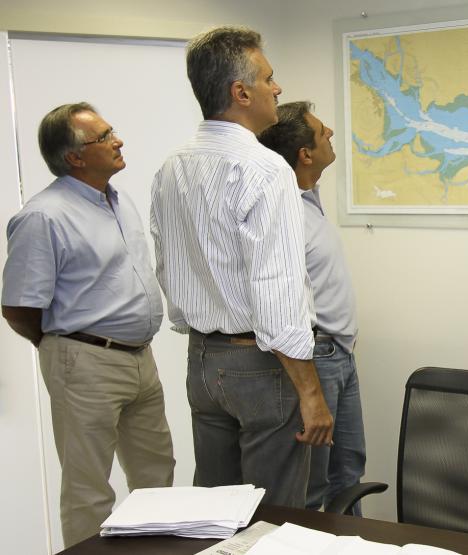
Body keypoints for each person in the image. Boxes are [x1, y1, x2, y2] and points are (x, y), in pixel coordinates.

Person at [151, 26, 332, 508]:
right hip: (260, 364)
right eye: (269, 79)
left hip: (203, 361)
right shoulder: (266, 169)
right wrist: (311, 394)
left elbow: (167, 264)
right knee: (272, 516)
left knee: (213, 513)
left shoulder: (172, 167)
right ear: (241, 93)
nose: (277, 88)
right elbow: (277, 291)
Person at [2, 102, 174, 547]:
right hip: (85, 362)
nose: (118, 141)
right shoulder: (43, 216)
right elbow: (18, 306)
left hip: (140, 360)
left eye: (112, 131)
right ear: (75, 157)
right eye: (105, 137)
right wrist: (69, 347)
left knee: (157, 476)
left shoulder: (119, 201)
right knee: (89, 490)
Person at [258, 101, 366, 513]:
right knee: (312, 482)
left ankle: (351, 541)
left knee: (348, 473)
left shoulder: (309, 201)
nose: (331, 134)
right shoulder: (284, 212)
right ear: (305, 154)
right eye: (323, 132)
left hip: (339, 353)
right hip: (316, 356)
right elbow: (280, 298)